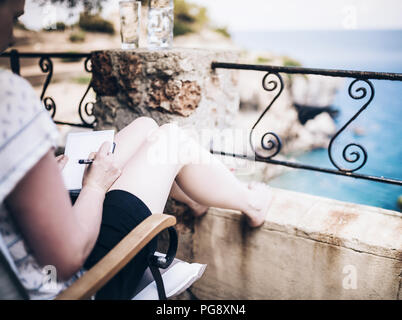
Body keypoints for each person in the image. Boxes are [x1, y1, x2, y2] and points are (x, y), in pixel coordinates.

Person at [0, 0, 272, 300]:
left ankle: (196, 197)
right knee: (170, 140)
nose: (13, 36)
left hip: (40, 236)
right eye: (13, 16)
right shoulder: (7, 94)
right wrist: (94, 186)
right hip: (84, 281)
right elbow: (66, 259)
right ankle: (251, 203)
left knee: (145, 126)